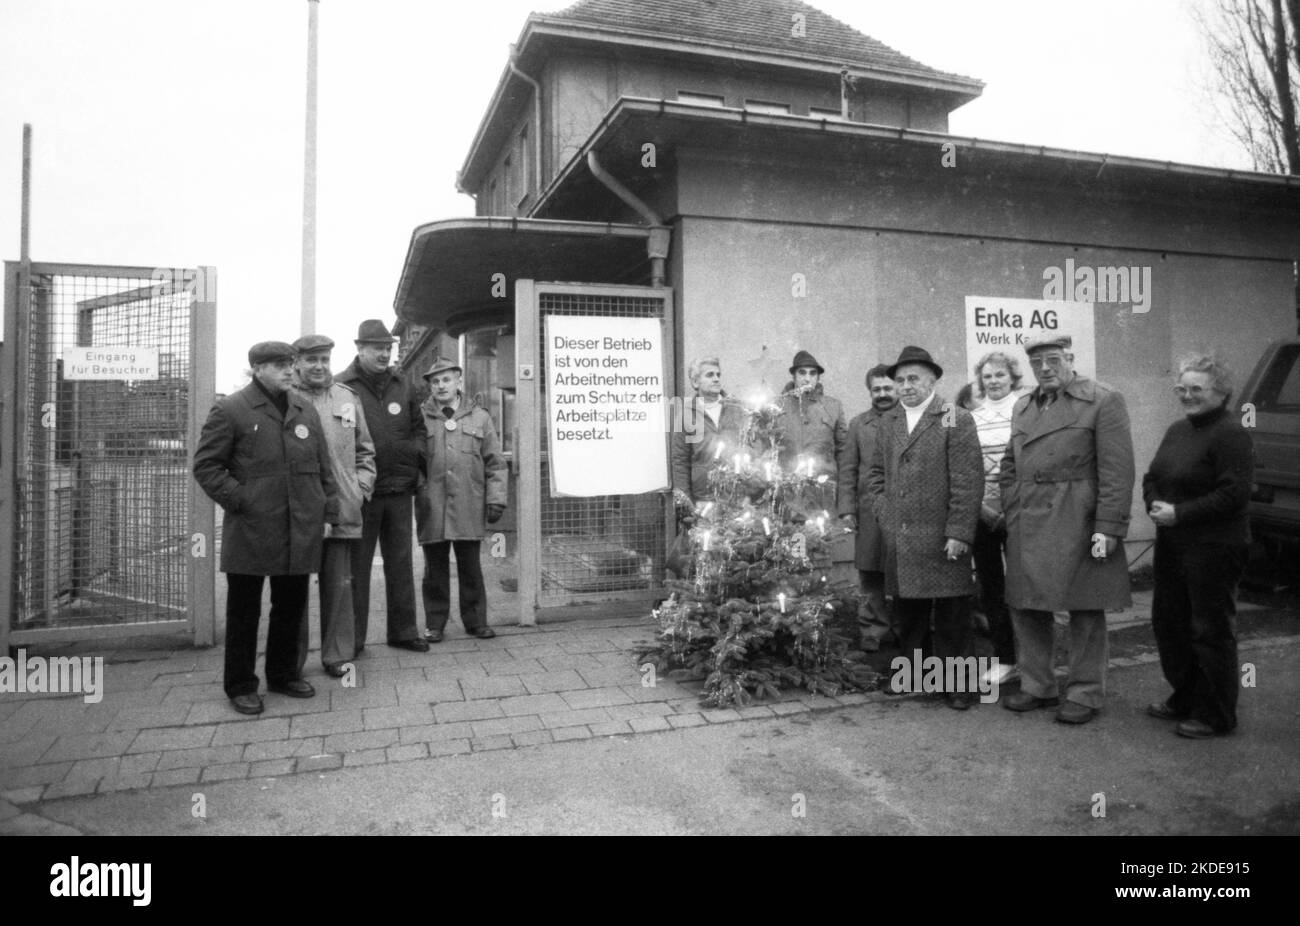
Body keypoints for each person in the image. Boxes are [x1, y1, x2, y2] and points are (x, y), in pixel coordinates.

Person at [193, 341, 340, 715]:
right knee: (244, 611)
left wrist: (328, 512)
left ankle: (283, 674)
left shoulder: (304, 409)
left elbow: (324, 467)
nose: (290, 371)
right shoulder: (231, 409)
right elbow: (207, 466)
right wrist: (242, 500)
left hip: (300, 526)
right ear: (257, 368)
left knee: (290, 605)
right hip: (252, 529)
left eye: (290, 364)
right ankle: (241, 685)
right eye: (279, 365)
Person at [1000, 333, 1135, 724]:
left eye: (1053, 360)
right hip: (1028, 518)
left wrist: (1108, 526)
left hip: (1078, 519)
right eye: (1037, 362)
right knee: (1025, 606)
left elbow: (1117, 470)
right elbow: (1011, 462)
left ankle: (1086, 693)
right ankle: (1037, 685)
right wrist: (1011, 502)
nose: (1045, 368)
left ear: (1070, 359)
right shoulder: (1023, 405)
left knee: (1085, 607)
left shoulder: (1103, 399)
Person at [1143, 353, 1254, 738]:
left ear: (1221, 393)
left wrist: (1181, 513)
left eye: (1196, 389)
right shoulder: (1177, 429)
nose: (1187, 395)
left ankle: (1217, 714)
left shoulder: (1231, 433)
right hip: (1173, 543)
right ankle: (1186, 696)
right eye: (1181, 388)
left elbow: (1235, 493)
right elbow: (1152, 476)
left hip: (1214, 546)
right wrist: (1153, 504)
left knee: (1209, 630)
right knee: (1169, 624)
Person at [867, 346, 983, 709]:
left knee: (952, 616)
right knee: (909, 614)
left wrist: (959, 533)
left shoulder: (951, 416)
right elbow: (875, 475)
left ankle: (960, 686)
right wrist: (885, 515)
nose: (905, 386)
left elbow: (967, 480)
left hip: (942, 536)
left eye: (913, 378)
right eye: (899, 380)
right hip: (901, 535)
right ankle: (912, 677)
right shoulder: (889, 422)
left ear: (933, 380)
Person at [335, 319, 430, 653]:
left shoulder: (403, 384)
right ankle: (354, 641)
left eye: (388, 349)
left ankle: (403, 632)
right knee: (357, 569)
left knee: (401, 563)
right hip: (363, 493)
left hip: (400, 489)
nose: (384, 354)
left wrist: (414, 454)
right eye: (377, 349)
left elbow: (419, 427)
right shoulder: (342, 387)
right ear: (360, 349)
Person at [291, 334, 376, 678]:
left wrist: (360, 488)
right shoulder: (286, 398)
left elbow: (365, 450)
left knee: (339, 587)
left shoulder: (346, 398)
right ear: (296, 362)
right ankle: (290, 662)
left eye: (324, 359)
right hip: (298, 511)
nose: (319, 366)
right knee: (293, 591)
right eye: (311, 359)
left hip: (342, 508)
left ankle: (337, 655)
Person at [415, 358, 508, 642]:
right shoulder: (419, 417)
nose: (440, 386)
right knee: (435, 568)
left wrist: (496, 499)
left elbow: (496, 462)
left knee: (470, 566)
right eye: (435, 381)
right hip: (433, 505)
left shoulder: (479, 417)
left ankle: (476, 621)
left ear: (458, 381)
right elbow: (412, 461)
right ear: (430, 387)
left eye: (446, 380)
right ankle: (435, 623)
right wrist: (421, 490)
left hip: (469, 501)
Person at [970, 351, 1025, 682]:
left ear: (1013, 378)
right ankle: (1005, 658)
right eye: (987, 376)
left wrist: (1010, 507)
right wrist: (983, 509)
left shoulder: (1026, 413)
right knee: (991, 587)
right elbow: (967, 469)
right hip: (982, 514)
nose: (993, 381)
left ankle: (1032, 659)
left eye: (999, 375)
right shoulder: (972, 418)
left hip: (1019, 511)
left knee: (1025, 587)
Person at [837, 364, 899, 651]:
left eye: (888, 388)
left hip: (904, 511)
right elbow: (848, 469)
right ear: (870, 391)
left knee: (903, 570)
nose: (883, 394)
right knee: (871, 572)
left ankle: (903, 627)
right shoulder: (859, 424)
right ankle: (873, 630)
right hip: (869, 510)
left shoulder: (911, 420)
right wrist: (847, 509)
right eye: (877, 389)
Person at [670, 357, 749, 509]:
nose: (716, 379)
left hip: (736, 498)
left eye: (718, 375)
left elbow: (750, 450)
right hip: (704, 500)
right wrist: (686, 504)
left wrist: (750, 494)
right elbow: (680, 462)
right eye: (709, 375)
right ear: (695, 382)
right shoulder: (686, 415)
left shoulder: (736, 409)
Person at [776, 350, 847, 516]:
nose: (807, 378)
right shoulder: (777, 407)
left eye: (812, 373)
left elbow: (844, 453)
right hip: (788, 495)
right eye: (802, 373)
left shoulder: (833, 407)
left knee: (825, 539)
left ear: (818, 377)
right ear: (793, 376)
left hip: (823, 494)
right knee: (791, 539)